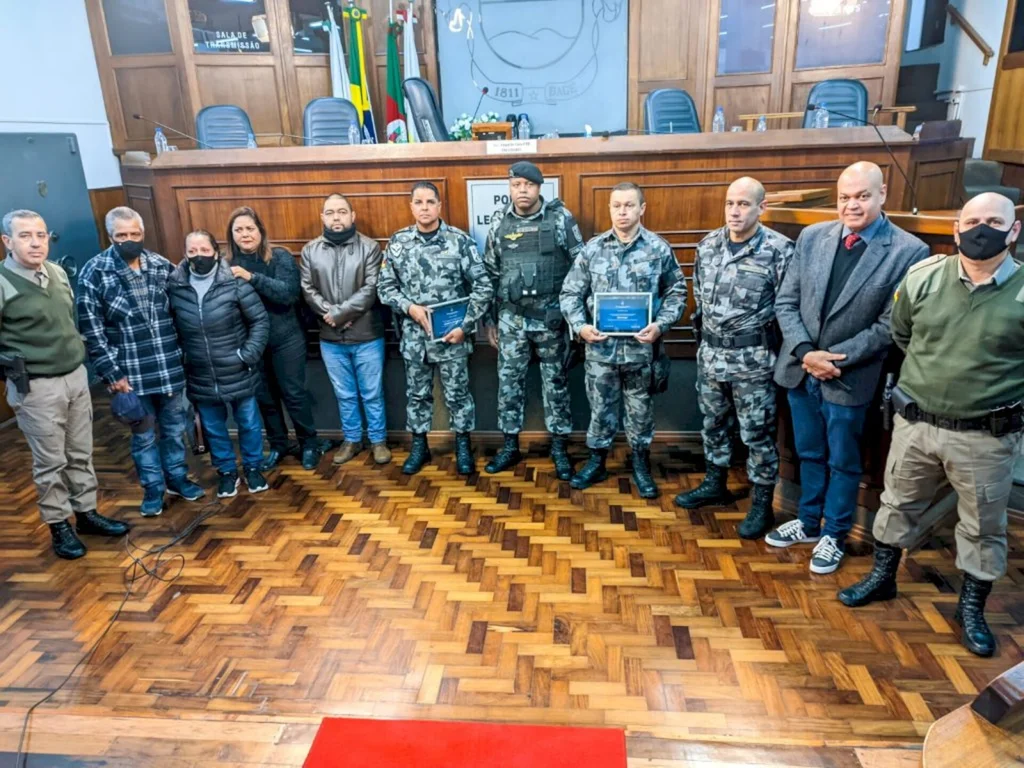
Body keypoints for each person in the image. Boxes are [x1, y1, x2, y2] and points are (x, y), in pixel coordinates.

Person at [839, 193, 1023, 657]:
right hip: (917, 424)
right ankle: (882, 578)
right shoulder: (923, 277)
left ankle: (971, 608)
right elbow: (902, 334)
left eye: (994, 221)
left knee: (983, 526)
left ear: (1013, 230)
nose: (983, 229)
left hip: (986, 435)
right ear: (957, 229)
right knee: (896, 503)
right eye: (973, 221)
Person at [768, 161, 929, 574]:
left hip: (849, 376)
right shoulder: (812, 237)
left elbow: (889, 326)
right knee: (808, 452)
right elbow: (786, 301)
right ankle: (806, 522)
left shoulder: (909, 251)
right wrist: (806, 352)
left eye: (861, 196)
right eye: (844, 197)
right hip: (801, 368)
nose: (851, 205)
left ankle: (833, 534)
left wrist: (831, 359)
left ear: (882, 195)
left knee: (843, 461)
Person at [1, 209, 128, 559]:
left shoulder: (56, 273)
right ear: (7, 242)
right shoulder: (3, 282)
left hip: (75, 377)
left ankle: (87, 514)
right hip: (37, 387)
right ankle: (59, 526)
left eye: (41, 235)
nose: (36, 242)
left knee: (80, 452)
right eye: (25, 236)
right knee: (50, 462)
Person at [675, 178, 794, 538]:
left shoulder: (779, 249)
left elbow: (788, 308)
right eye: (730, 204)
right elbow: (701, 301)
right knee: (713, 424)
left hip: (753, 361)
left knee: (757, 433)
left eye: (743, 204)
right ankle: (716, 483)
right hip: (711, 356)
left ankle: (761, 503)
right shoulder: (708, 245)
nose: (735, 211)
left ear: (762, 207)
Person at [559, 182, 686, 498]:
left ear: (642, 208)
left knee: (640, 412)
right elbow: (570, 292)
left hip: (642, 352)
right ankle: (597, 461)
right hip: (600, 350)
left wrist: (660, 325)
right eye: (616, 205)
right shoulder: (593, 249)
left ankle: (641, 465)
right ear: (610, 209)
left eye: (629, 205)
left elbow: (677, 292)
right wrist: (580, 326)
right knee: (600, 411)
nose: (623, 211)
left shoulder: (658, 249)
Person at [77, 206, 205, 517]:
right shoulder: (93, 273)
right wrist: (112, 374)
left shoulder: (162, 266)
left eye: (135, 234)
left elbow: (182, 315)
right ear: (110, 237)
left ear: (143, 233)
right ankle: (153, 489)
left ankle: (177, 478)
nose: (129, 240)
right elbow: (91, 330)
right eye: (122, 236)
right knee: (144, 437)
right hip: (129, 376)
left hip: (168, 367)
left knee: (175, 430)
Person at [377, 181, 493, 475]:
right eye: (419, 202)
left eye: (430, 202)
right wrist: (409, 307)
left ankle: (463, 446)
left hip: (452, 337)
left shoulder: (459, 241)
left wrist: (466, 327)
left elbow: (483, 286)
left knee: (458, 395)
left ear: (440, 206)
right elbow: (384, 287)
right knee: (417, 395)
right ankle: (419, 446)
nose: (425, 207)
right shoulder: (399, 242)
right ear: (411, 206)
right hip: (415, 338)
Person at [481, 161, 584, 479]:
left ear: (539, 187)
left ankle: (558, 448)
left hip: (552, 321)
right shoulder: (500, 220)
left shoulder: (560, 218)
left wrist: (575, 320)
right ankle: (510, 446)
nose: (521, 190)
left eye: (528, 185)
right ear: (509, 188)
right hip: (512, 321)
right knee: (509, 385)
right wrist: (490, 321)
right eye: (516, 185)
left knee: (556, 385)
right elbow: (490, 273)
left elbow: (581, 268)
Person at [166, 230, 271, 498]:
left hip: (237, 368)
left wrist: (246, 355)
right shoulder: (175, 287)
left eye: (203, 250)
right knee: (214, 428)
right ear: (186, 253)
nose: (198, 256)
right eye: (192, 251)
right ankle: (226, 472)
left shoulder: (234, 283)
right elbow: (169, 328)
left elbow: (259, 321)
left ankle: (253, 468)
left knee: (248, 423)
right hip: (200, 372)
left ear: (215, 251)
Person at [226, 206, 322, 471]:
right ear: (231, 235)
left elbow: (288, 294)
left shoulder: (278, 257)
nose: (245, 234)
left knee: (294, 394)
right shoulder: (226, 264)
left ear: (260, 231)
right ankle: (279, 445)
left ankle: (309, 444)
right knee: (265, 398)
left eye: (250, 228)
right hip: (251, 344)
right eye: (239, 230)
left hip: (286, 337)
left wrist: (251, 278)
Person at [300, 194, 390, 466]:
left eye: (341, 212)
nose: (336, 217)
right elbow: (307, 289)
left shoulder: (370, 248)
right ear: (322, 217)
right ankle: (351, 439)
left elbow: (372, 288)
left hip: (367, 335)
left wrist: (339, 314)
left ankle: (378, 441)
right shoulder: (310, 250)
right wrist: (333, 316)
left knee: (372, 392)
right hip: (330, 339)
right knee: (345, 394)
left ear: (353, 215)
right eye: (330, 212)